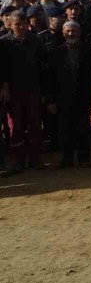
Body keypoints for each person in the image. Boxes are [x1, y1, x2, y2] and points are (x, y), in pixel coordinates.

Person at [0, 11, 48, 173]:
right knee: (16, 127)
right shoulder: (4, 42)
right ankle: (18, 161)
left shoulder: (35, 40)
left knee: (35, 125)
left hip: (33, 89)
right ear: (10, 25)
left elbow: (44, 63)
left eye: (23, 24)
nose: (20, 27)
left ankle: (35, 159)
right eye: (17, 24)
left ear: (27, 24)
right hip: (13, 92)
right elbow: (2, 68)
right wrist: (5, 88)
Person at [49, 21, 91, 168]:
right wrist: (51, 100)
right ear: (63, 33)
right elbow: (50, 78)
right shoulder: (56, 52)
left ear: (79, 33)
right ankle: (67, 159)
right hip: (63, 97)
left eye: (74, 31)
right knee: (65, 130)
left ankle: (84, 158)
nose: (71, 34)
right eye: (68, 31)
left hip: (84, 96)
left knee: (83, 129)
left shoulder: (88, 51)